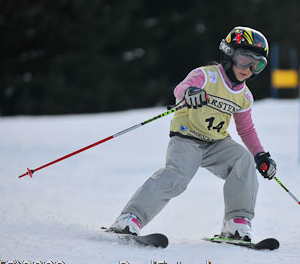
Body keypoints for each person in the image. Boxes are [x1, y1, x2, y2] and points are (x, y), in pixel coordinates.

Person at [109, 26, 277, 242]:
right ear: (228, 53)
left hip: (216, 144)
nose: (249, 68)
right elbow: (181, 88)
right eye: (244, 59)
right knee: (178, 176)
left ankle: (236, 223)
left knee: (242, 160)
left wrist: (260, 155)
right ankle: (130, 219)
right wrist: (190, 93)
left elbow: (246, 129)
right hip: (187, 138)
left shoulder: (244, 96)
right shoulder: (206, 76)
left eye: (258, 64)